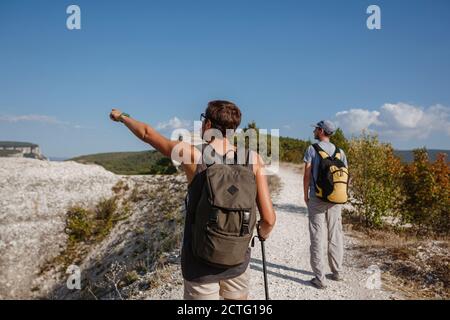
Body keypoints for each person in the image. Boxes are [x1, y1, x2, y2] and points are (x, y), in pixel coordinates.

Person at [110, 100, 276, 299]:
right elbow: (269, 220)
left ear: (207, 124)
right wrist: (261, 234)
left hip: (200, 263)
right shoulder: (253, 160)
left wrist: (122, 117)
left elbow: (147, 134)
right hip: (237, 261)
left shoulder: (193, 155)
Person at [303, 120, 348, 289]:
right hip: (336, 199)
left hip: (317, 198)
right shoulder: (340, 151)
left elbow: (307, 174)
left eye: (316, 128)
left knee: (317, 236)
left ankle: (320, 279)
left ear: (321, 131)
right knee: (335, 234)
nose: (314, 130)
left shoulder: (312, 149)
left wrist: (305, 194)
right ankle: (337, 272)